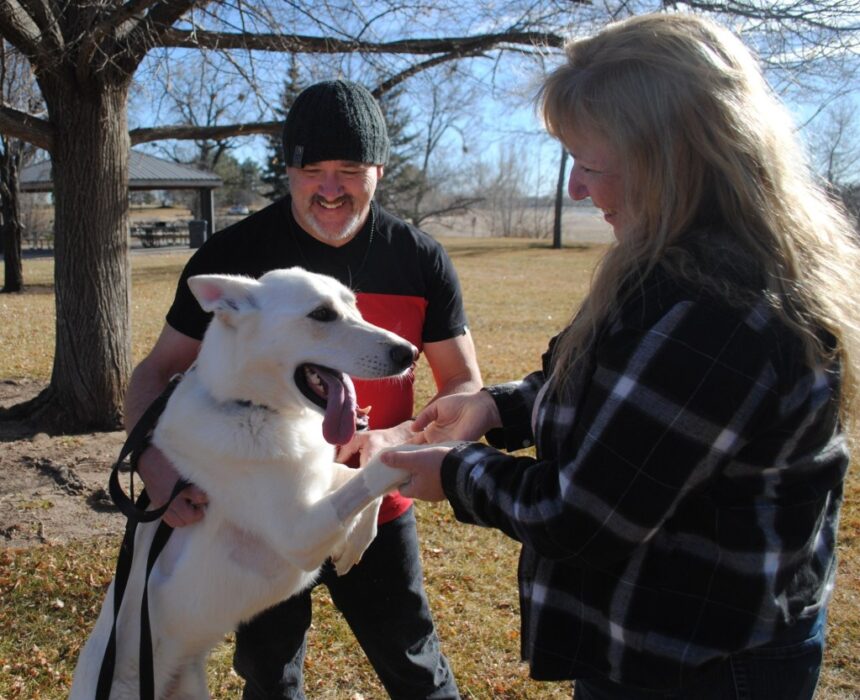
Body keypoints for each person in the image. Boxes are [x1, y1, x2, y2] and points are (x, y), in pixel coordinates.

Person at [382, 13, 860, 700]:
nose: (577, 188)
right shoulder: (669, 264)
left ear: (673, 161)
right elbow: (607, 394)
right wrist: (493, 406)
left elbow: (586, 516)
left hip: (705, 665)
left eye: (592, 164)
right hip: (648, 642)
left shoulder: (722, 313)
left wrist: (456, 473)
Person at [124, 79, 481, 699]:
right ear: (288, 170)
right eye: (311, 168)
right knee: (268, 674)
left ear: (379, 168)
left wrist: (392, 442)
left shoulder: (419, 259)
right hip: (254, 510)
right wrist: (154, 466)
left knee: (412, 659)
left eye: (350, 168)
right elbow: (153, 374)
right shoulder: (237, 258)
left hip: (374, 502)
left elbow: (463, 383)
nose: (331, 187)